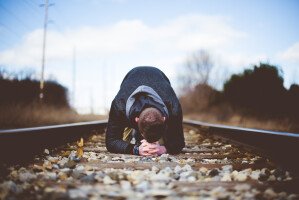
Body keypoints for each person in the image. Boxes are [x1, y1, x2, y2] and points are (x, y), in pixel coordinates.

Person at [105, 66, 185, 156]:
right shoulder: (119, 105)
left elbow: (179, 142)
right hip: (131, 77)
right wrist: (135, 149)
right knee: (123, 143)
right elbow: (111, 142)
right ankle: (136, 135)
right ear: (136, 119)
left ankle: (157, 138)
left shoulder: (173, 107)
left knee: (167, 140)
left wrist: (163, 148)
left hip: (160, 78)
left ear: (164, 119)